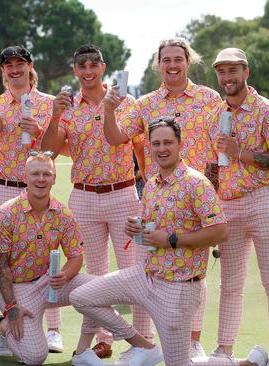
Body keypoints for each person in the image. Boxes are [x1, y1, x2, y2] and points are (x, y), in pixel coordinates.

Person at [70, 119, 269, 366]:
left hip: (178, 288)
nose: (161, 149)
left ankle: (244, 364)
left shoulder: (196, 184)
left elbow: (220, 232)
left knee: (179, 365)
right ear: (149, 148)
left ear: (179, 144)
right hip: (145, 277)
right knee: (81, 297)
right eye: (156, 144)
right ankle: (143, 346)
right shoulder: (152, 184)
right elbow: (149, 232)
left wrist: (172, 240)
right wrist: (135, 229)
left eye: (167, 142)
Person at [103, 37, 222, 358]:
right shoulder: (146, 103)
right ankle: (150, 341)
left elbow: (220, 147)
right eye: (166, 60)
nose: (172, 65)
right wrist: (109, 110)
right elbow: (115, 138)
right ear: (159, 64)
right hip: (156, 194)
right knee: (151, 266)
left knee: (194, 271)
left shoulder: (209, 98)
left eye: (178, 59)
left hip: (198, 195)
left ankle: (192, 339)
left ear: (188, 61)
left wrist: (217, 193)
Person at [41, 43, 148, 358]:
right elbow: (47, 150)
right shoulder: (67, 105)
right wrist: (55, 115)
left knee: (134, 270)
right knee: (94, 276)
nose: (87, 71)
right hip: (84, 197)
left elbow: (127, 142)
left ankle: (143, 341)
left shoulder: (125, 101)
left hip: (123, 194)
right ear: (74, 71)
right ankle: (104, 339)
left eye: (93, 65)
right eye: (81, 66)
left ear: (103, 68)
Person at [0, 45, 64, 353]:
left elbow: (60, 151)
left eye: (20, 64)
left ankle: (53, 328)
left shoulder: (49, 104)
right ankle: (3, 321)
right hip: (4, 188)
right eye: (8, 65)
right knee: (4, 259)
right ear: (2, 71)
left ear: (30, 66)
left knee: (47, 256)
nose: (14, 69)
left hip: (38, 189)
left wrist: (40, 132)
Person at [0, 151, 116, 366]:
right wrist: (11, 307)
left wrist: (64, 275)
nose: (41, 179)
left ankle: (82, 352)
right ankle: (2, 326)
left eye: (47, 174)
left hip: (50, 286)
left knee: (99, 288)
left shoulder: (63, 213)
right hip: (17, 289)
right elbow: (0, 268)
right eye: (35, 174)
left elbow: (76, 257)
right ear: (25, 177)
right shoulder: (6, 213)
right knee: (34, 357)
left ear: (55, 178)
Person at [208, 48, 269, 366]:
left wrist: (241, 152)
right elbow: (212, 165)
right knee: (229, 283)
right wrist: (211, 205)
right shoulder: (215, 114)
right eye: (221, 71)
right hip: (228, 205)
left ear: (246, 72)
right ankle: (224, 349)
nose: (227, 77)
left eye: (233, 70)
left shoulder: (267, 110)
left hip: (263, 200)